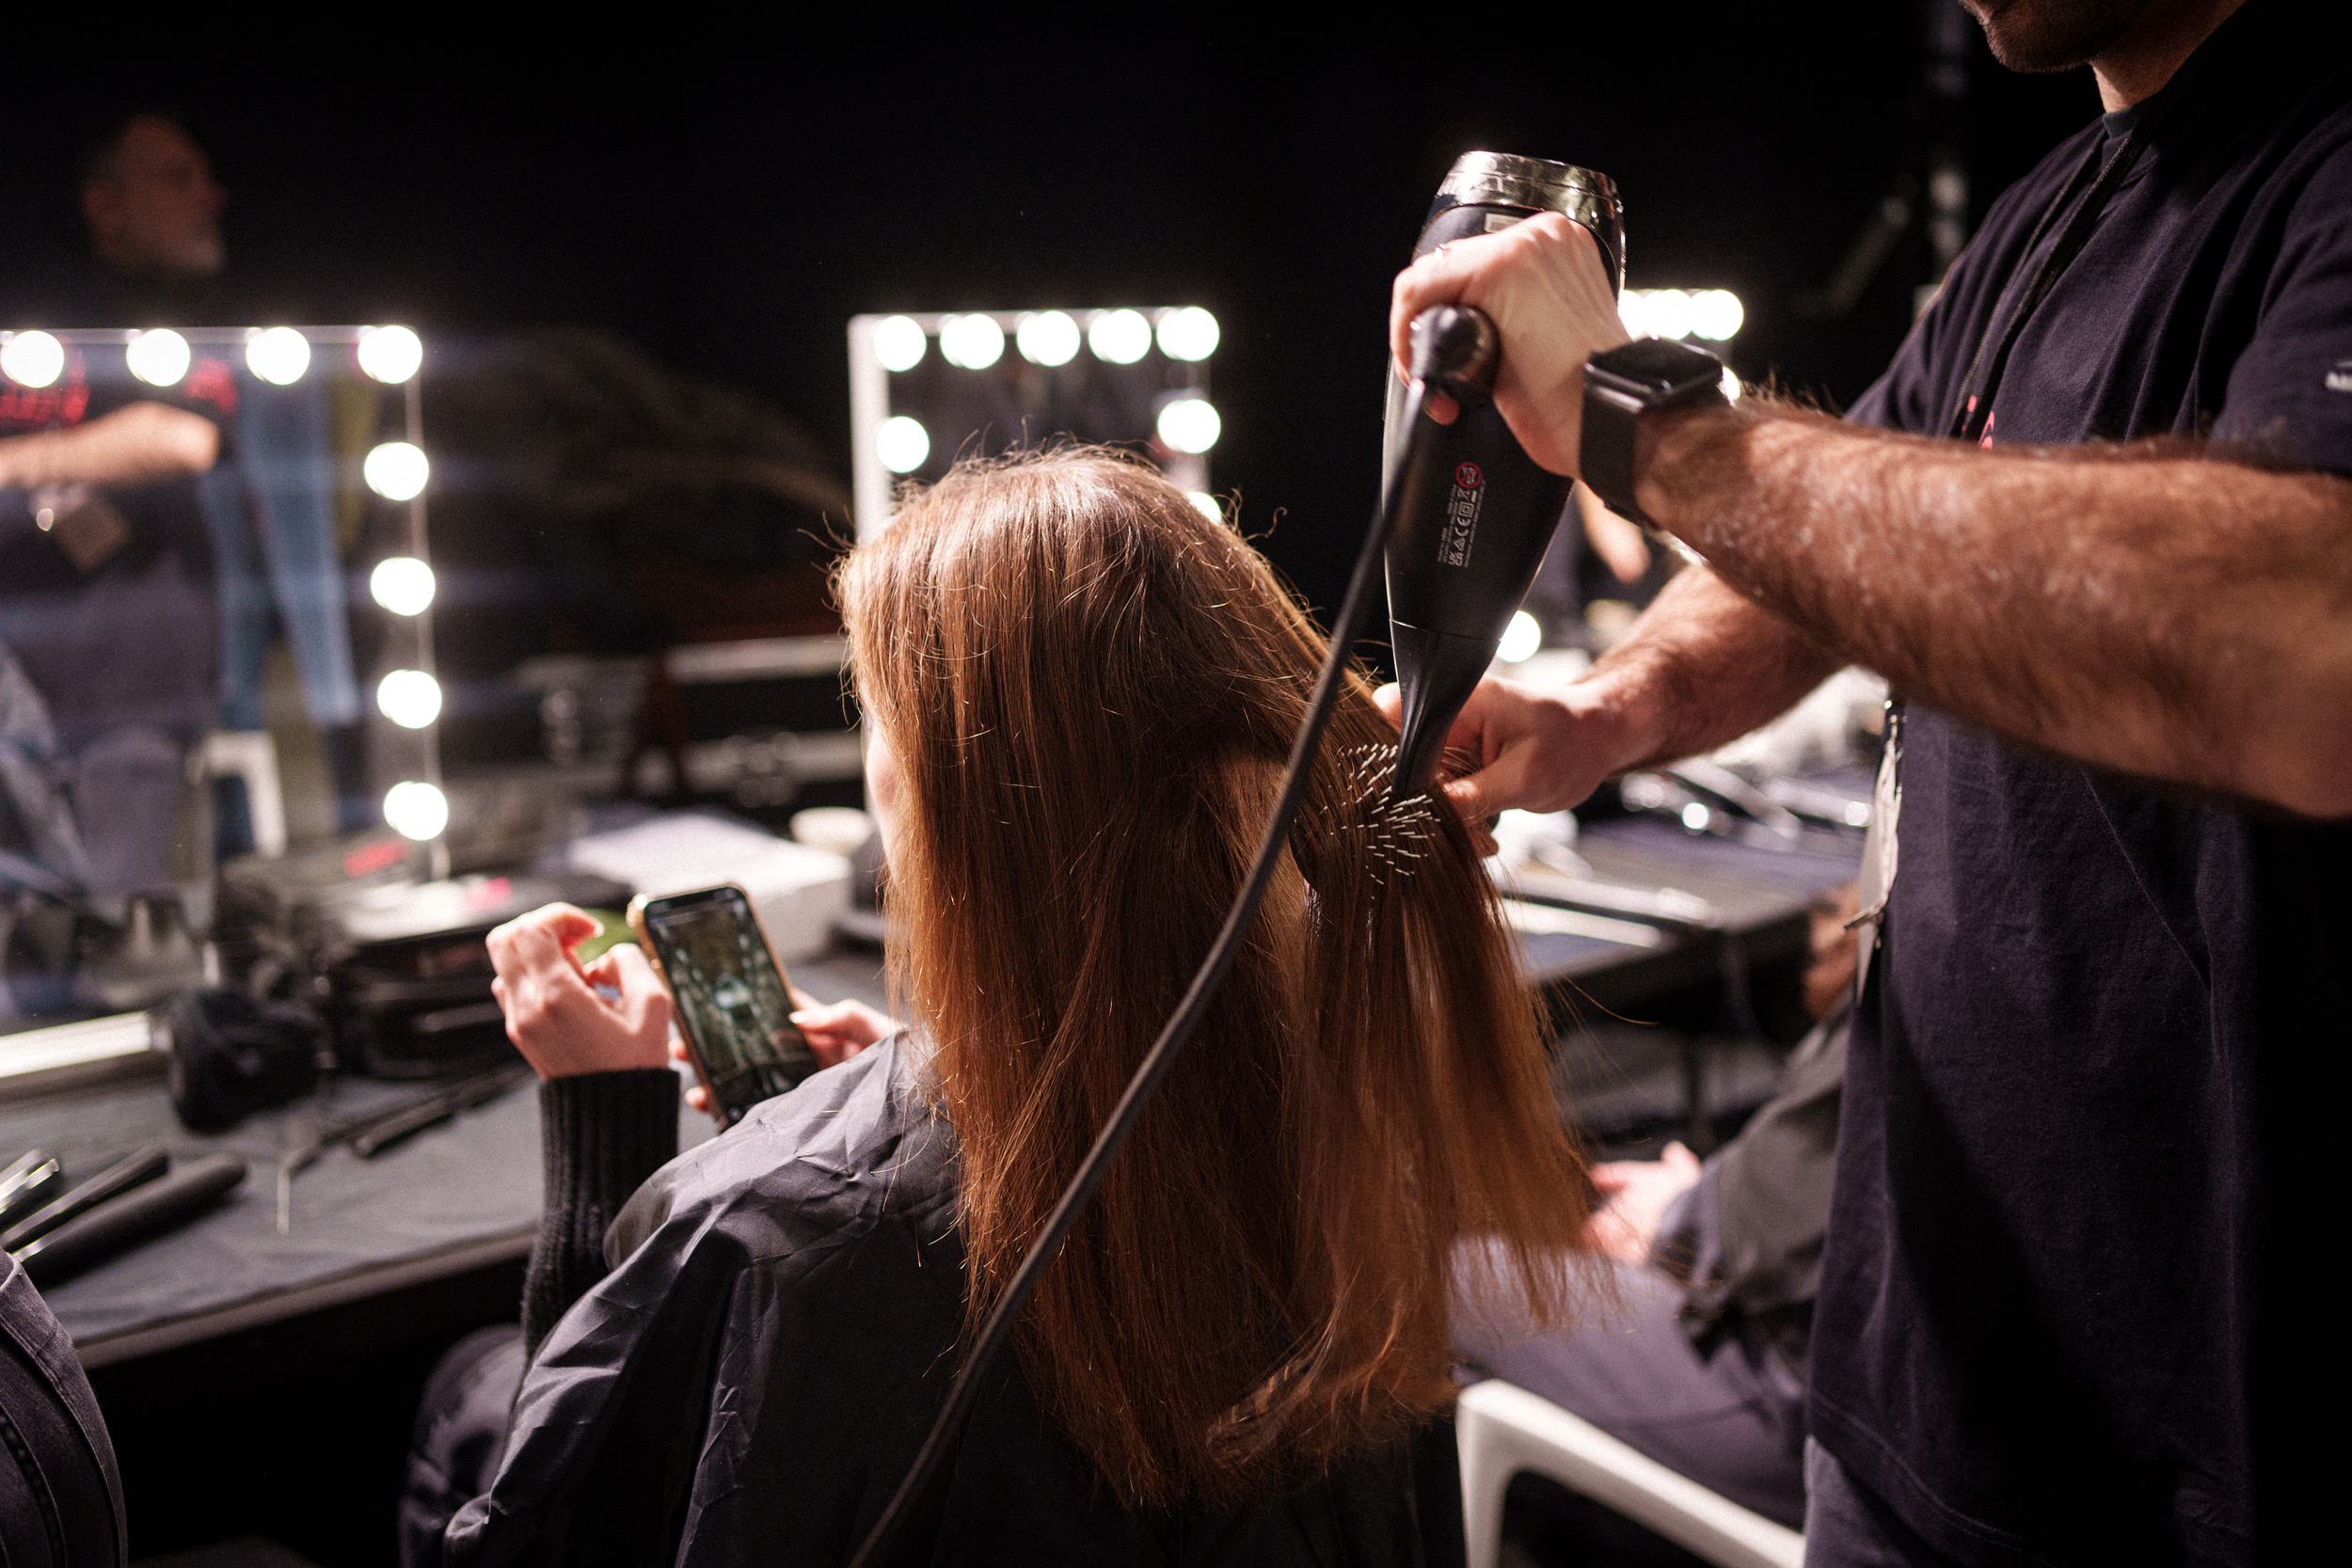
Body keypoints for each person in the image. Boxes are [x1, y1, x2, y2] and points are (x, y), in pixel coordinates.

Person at [1381, 0, 2349, 1560]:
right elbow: (1836, 545)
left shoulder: (2319, 170)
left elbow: (2305, 642)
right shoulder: (2053, 217)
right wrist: (1610, 709)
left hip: (2201, 1466)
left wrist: (1658, 431)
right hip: (1915, 1415)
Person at [427, 450, 1597, 1565]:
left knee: (463, 1390)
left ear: (949, 799)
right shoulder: (1343, 1100)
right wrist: (973, 1090)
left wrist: (603, 1129)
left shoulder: (769, 1234)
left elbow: (572, 1513)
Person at [1454, 893, 1857, 1531]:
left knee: (1436, 1287)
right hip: (1874, 1391)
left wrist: (1684, 1220)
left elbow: (1834, 1157)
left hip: (1819, 1414)